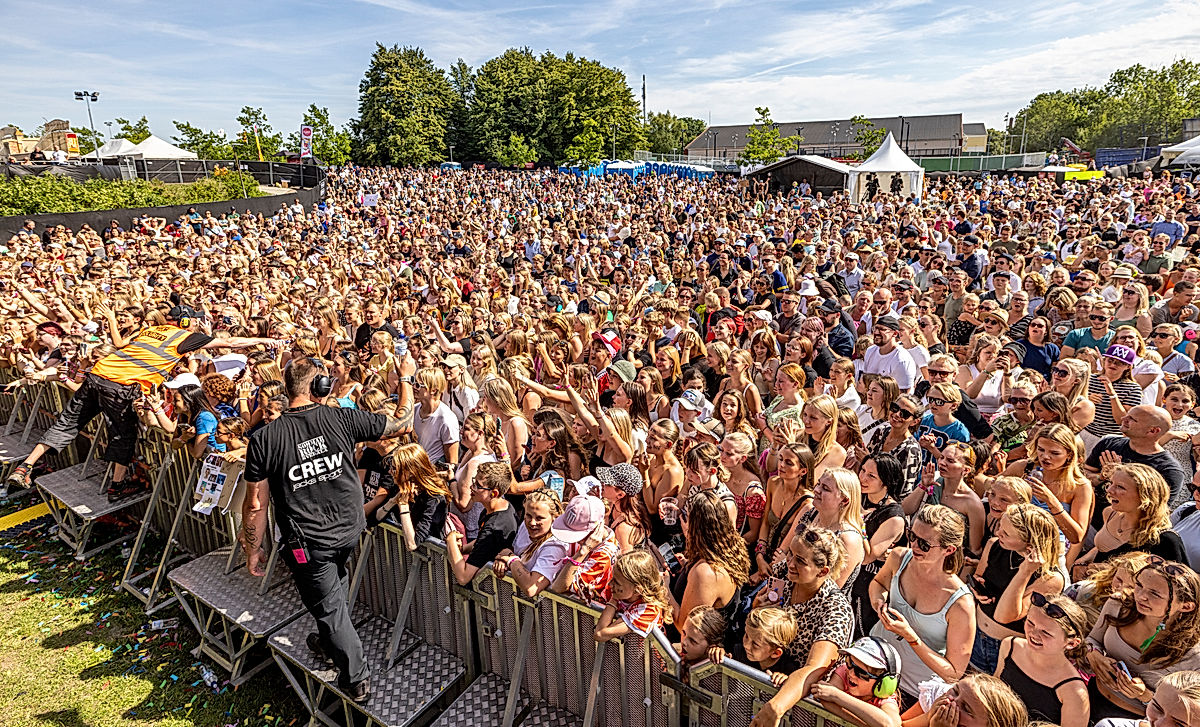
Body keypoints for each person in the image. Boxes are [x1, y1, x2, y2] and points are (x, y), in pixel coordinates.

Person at [240, 357, 410, 703]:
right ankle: (327, 637)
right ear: (320, 387)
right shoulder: (340, 417)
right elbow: (401, 422)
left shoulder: (265, 438)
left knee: (330, 606)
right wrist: (405, 379)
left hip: (310, 541)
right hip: (348, 529)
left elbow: (255, 503)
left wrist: (252, 547)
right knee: (332, 597)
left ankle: (357, 678)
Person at [6, 305, 277, 499]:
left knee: (68, 422)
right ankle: (117, 485)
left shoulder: (150, 330)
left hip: (99, 374)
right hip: (123, 385)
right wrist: (265, 339)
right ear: (187, 324)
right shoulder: (184, 337)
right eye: (193, 322)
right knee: (124, 433)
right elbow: (229, 341)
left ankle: (25, 466)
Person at [869, 504, 975, 702]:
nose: (914, 546)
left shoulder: (960, 603)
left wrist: (911, 637)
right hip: (869, 666)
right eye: (912, 536)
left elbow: (953, 673)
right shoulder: (899, 558)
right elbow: (878, 583)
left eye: (924, 544)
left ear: (949, 549)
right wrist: (878, 603)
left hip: (912, 691)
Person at [1085, 557, 1200, 719]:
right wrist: (1094, 655)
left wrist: (1145, 696)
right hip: (1088, 695)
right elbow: (1092, 640)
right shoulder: (1118, 604)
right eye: (1139, 585)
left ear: (1186, 606)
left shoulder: (1194, 654)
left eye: (1154, 593)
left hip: (1133, 720)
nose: (1141, 596)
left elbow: (1189, 713)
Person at [1086, 405, 1190, 510]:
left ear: (1153, 431)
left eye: (1132, 419)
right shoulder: (1108, 443)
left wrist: (1119, 476)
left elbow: (1155, 512)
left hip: (1123, 525)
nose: (1123, 419)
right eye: (1127, 415)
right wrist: (1102, 476)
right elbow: (1081, 476)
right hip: (1088, 516)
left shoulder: (1169, 470)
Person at [807, 636, 904, 727]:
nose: (851, 673)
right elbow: (826, 699)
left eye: (861, 672)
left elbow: (891, 724)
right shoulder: (843, 673)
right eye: (849, 663)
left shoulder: (884, 699)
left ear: (883, 683)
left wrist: (837, 695)